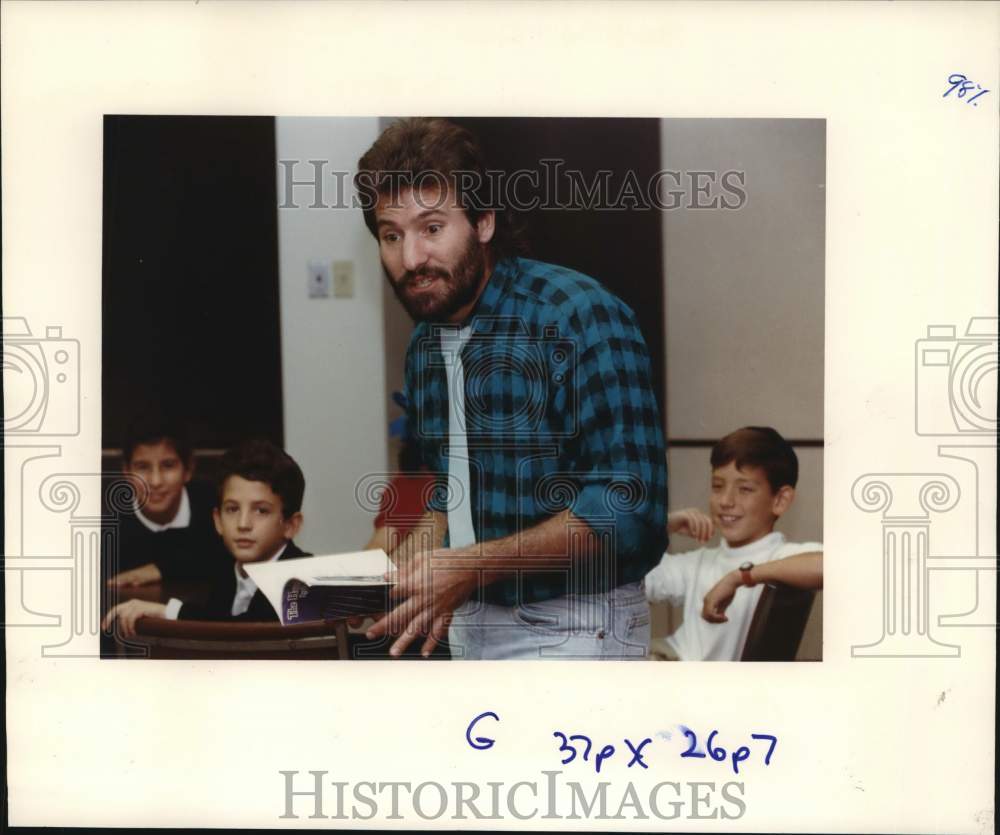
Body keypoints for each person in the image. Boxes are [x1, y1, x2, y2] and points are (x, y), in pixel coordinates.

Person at [354, 117, 667, 659]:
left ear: (483, 223)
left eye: (432, 228)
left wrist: (469, 565)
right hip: (469, 622)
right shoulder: (425, 344)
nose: (410, 260)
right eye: (391, 235)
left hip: (577, 625)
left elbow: (629, 512)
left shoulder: (577, 314)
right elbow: (453, 502)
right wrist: (394, 582)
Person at [644, 426, 823, 661]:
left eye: (745, 489)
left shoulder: (781, 557)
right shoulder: (697, 563)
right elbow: (611, 574)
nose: (726, 501)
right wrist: (662, 526)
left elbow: (835, 565)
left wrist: (739, 577)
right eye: (717, 486)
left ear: (780, 500)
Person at [102, 440, 311, 637]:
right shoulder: (227, 572)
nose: (243, 523)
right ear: (217, 520)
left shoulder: (303, 579)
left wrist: (168, 611)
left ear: (291, 525)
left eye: (261, 511)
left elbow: (247, 631)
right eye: (232, 509)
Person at [103, 411, 228, 587]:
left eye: (168, 466)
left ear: (189, 469)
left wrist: (164, 569)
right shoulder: (107, 530)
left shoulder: (218, 507)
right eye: (143, 467)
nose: (155, 481)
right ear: (126, 471)